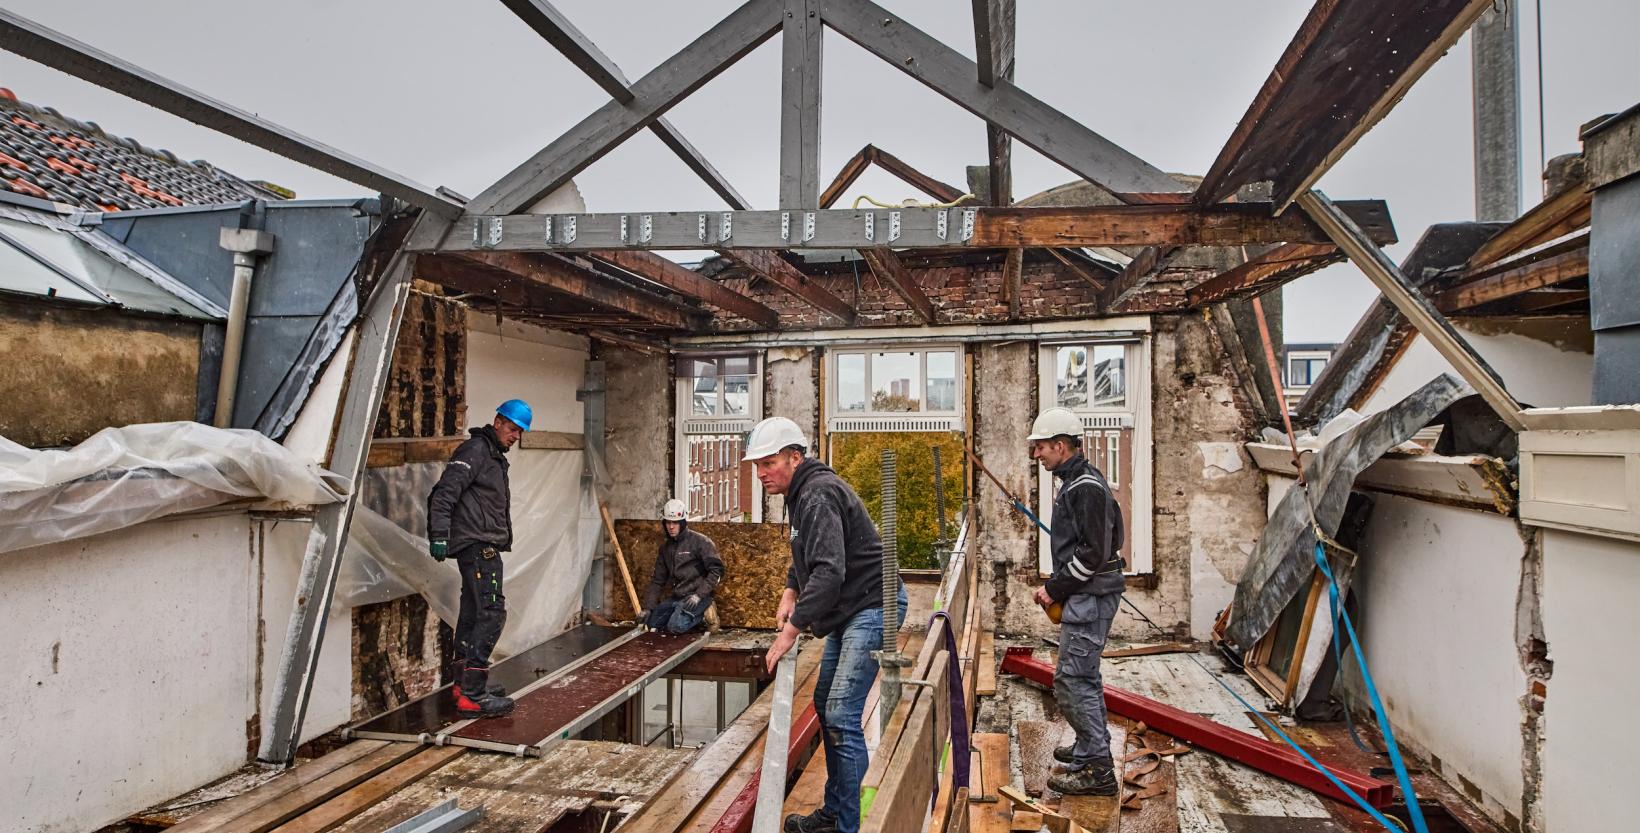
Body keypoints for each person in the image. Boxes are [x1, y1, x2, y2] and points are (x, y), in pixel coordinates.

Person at [750, 417, 906, 833]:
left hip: (873, 604)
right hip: (850, 607)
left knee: (840, 712)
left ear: (794, 457)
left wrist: (790, 630)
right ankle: (836, 812)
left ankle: (847, 827)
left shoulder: (816, 495)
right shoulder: (801, 493)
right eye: (757, 466)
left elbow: (829, 572)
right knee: (826, 703)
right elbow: (809, 554)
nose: (761, 473)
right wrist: (789, 588)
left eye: (768, 463)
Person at [1027, 407, 1127, 796]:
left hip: (1090, 595)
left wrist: (1056, 588)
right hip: (1089, 593)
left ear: (1060, 445)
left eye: (1041, 448)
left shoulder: (1084, 486)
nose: (1037, 455)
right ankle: (1089, 749)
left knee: (1072, 680)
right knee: (1085, 677)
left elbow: (1094, 553)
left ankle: (1099, 772)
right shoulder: (1079, 481)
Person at [426, 398, 532, 719]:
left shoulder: (491, 455)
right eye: (513, 428)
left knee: (473, 611)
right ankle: (473, 695)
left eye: (521, 432)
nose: (516, 436)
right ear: (498, 421)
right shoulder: (476, 451)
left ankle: (464, 682)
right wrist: (440, 535)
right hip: (478, 546)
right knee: (492, 612)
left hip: (480, 544)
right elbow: (444, 493)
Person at [641, 498, 725, 633]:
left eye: (675, 522)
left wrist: (699, 595)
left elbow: (716, 571)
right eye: (668, 522)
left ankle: (705, 612)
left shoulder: (700, 542)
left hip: (697, 596)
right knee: (652, 623)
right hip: (677, 597)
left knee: (675, 627)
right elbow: (657, 581)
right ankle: (679, 613)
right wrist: (648, 608)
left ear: (683, 523)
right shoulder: (665, 549)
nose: (671, 527)